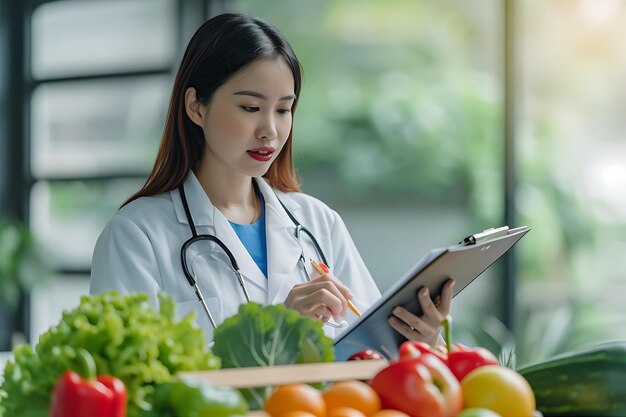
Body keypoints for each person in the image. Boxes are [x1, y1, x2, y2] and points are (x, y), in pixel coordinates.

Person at [90, 12, 454, 344]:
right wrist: (275, 330)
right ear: (195, 107)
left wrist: (418, 338)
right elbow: (134, 386)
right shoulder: (135, 235)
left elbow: (370, 349)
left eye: (283, 109)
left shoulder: (317, 223)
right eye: (250, 108)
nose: (270, 131)